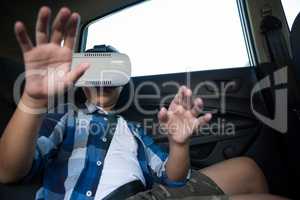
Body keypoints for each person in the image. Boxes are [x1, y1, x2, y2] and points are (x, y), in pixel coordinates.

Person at [0, 6, 289, 200]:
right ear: (82, 83)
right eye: (93, 71)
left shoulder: (135, 131)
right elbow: (8, 169)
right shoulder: (66, 118)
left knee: (247, 171)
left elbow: (173, 178)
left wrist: (178, 145)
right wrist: (33, 100)